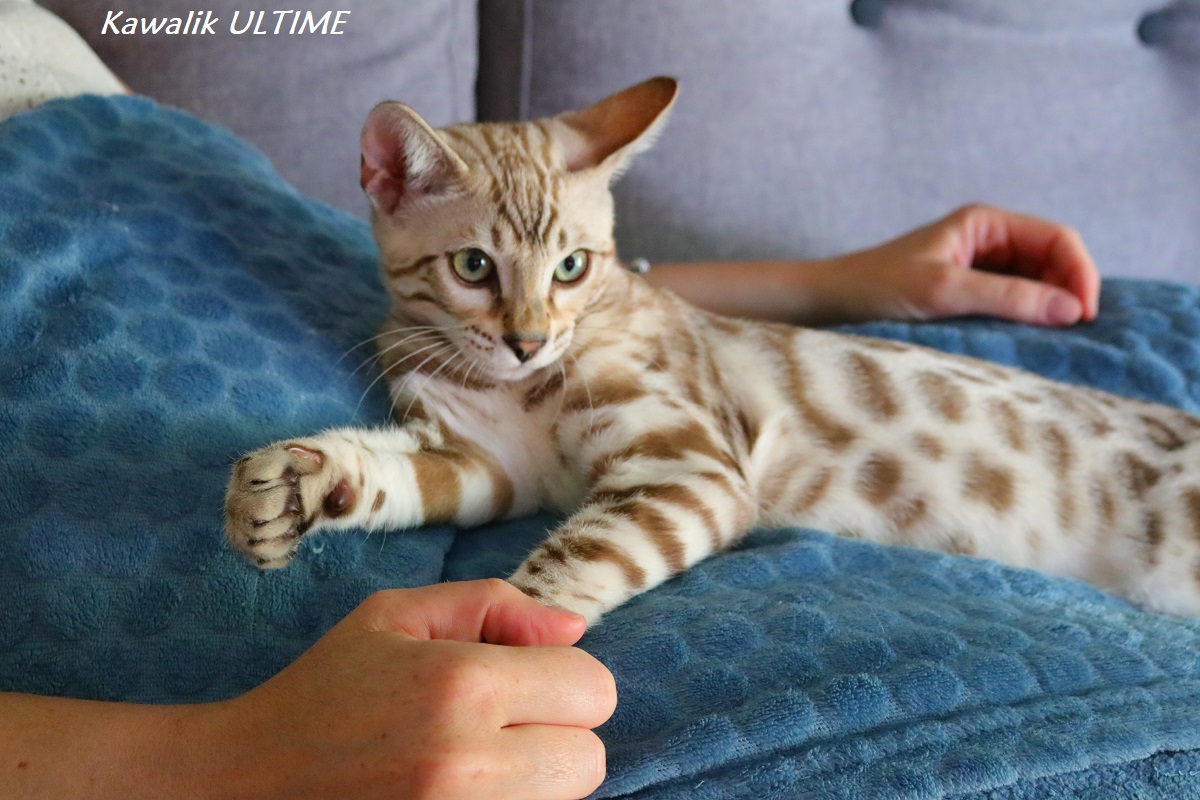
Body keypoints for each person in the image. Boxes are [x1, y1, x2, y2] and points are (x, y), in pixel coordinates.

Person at [0, 4, 1101, 799]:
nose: (529, 331)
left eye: (564, 277)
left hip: (1095, 481)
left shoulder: (533, 298)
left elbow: (581, 311)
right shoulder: (450, 314)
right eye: (484, 279)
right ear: (388, 177)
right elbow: (516, 403)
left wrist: (843, 280)